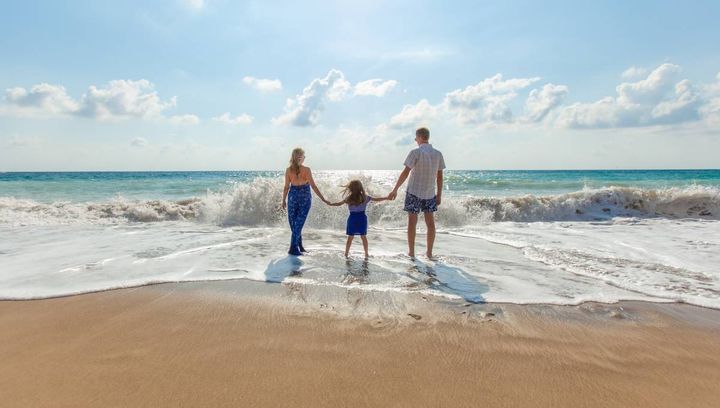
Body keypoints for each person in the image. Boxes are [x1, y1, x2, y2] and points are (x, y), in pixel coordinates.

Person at [388, 127, 445, 259]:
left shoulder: (415, 152)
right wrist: (439, 195)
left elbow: (406, 172)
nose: (415, 140)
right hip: (430, 193)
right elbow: (440, 177)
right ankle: (429, 253)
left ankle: (412, 253)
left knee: (412, 223)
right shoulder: (438, 154)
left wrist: (395, 189)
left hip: (414, 192)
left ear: (419, 137)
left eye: (415, 138)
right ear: (428, 137)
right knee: (430, 224)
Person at [281, 147, 328, 256]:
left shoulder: (289, 170)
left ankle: (299, 246)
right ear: (300, 157)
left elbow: (286, 187)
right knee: (297, 224)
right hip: (303, 196)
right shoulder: (306, 170)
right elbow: (313, 186)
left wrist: (283, 200)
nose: (304, 157)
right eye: (303, 156)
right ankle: (293, 248)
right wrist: (323, 198)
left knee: (296, 224)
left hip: (293, 196)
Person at [327, 179, 389, 258]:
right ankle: (366, 254)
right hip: (362, 218)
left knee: (350, 237)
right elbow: (377, 199)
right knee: (363, 236)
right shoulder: (365, 197)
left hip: (352, 219)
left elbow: (338, 204)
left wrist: (330, 204)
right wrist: (387, 197)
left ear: (351, 188)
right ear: (360, 188)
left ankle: (346, 253)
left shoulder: (349, 198)